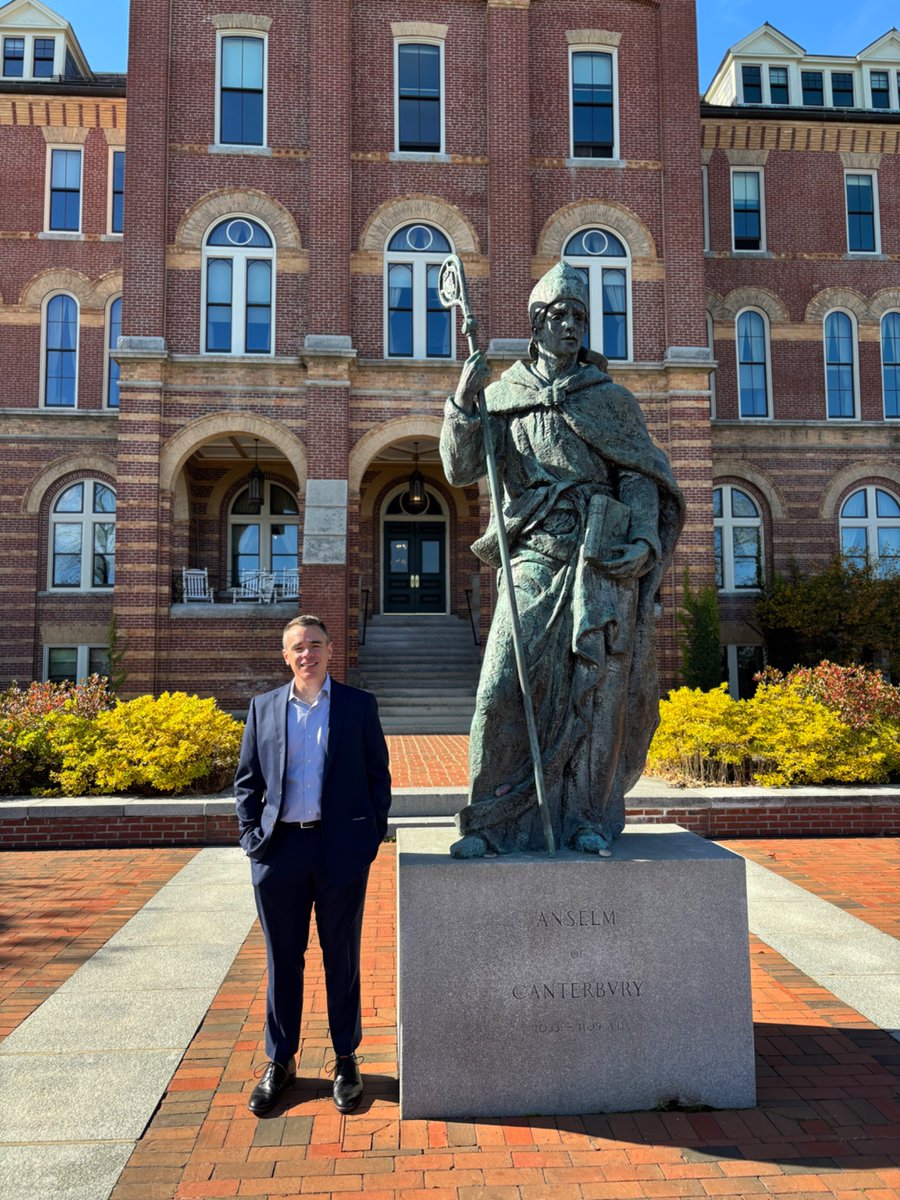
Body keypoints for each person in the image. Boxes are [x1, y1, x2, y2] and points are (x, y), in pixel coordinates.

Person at [440, 262, 684, 858]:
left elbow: (639, 474)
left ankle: (587, 819)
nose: (571, 326)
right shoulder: (504, 395)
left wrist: (647, 541)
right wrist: (464, 404)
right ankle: (492, 822)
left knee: (597, 692)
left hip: (600, 556)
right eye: (559, 316)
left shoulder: (612, 400)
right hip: (534, 554)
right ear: (536, 324)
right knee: (502, 685)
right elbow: (461, 467)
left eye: (579, 316)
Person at [235, 615, 391, 1115]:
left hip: (339, 852)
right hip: (279, 853)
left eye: (316, 645)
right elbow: (247, 783)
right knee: (284, 959)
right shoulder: (262, 709)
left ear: (330, 650)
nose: (308, 654)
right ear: (286, 655)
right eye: (298, 647)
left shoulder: (357, 707)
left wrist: (366, 840)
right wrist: (252, 839)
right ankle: (280, 1062)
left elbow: (377, 778)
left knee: (339, 957)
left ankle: (346, 1060)